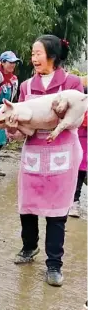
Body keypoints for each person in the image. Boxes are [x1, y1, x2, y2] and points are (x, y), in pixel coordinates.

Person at [10, 35, 84, 287]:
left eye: (38, 53)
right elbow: (21, 127)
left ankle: (54, 264)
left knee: (57, 212)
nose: (33, 58)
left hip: (62, 153)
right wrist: (12, 128)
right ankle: (29, 247)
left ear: (52, 55)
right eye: (32, 53)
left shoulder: (72, 84)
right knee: (27, 206)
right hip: (33, 153)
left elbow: (78, 119)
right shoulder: (26, 87)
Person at [69, 81, 87, 218]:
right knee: (75, 167)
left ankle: (74, 200)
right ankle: (72, 201)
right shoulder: (80, 97)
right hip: (77, 136)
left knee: (82, 168)